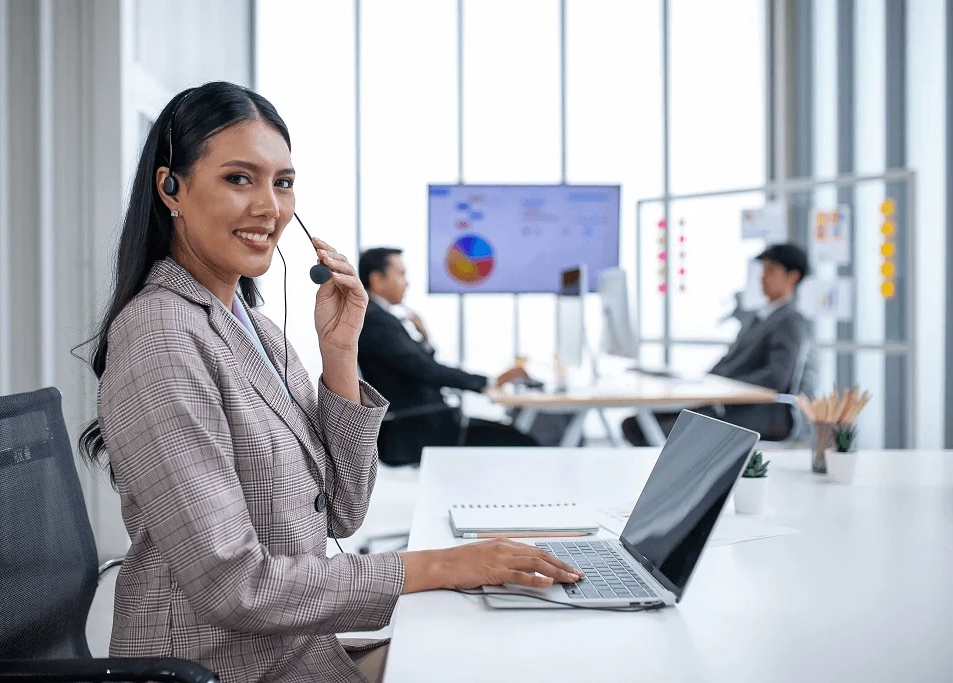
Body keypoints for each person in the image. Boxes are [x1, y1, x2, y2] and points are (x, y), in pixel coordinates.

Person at [79, 82, 580, 683]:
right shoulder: (161, 336)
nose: (269, 207)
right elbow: (233, 585)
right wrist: (441, 566)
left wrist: (340, 353)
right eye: (240, 178)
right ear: (172, 189)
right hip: (223, 669)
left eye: (282, 182)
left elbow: (343, 510)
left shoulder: (258, 332)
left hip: (300, 651)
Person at [356, 247, 539, 465]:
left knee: (513, 435)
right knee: (523, 442)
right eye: (401, 274)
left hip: (422, 422)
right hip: (418, 429)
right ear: (377, 279)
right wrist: (490, 381)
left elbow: (416, 365)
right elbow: (427, 370)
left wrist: (424, 339)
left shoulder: (378, 317)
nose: (407, 283)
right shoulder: (378, 321)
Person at [621, 243, 812, 447]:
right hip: (726, 403)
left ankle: (679, 476)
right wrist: (706, 381)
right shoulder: (761, 317)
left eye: (770, 271)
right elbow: (730, 360)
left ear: (793, 277)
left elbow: (776, 377)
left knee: (650, 430)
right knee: (636, 423)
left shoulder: (790, 320)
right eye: (763, 270)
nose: (762, 277)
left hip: (753, 413)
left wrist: (727, 386)